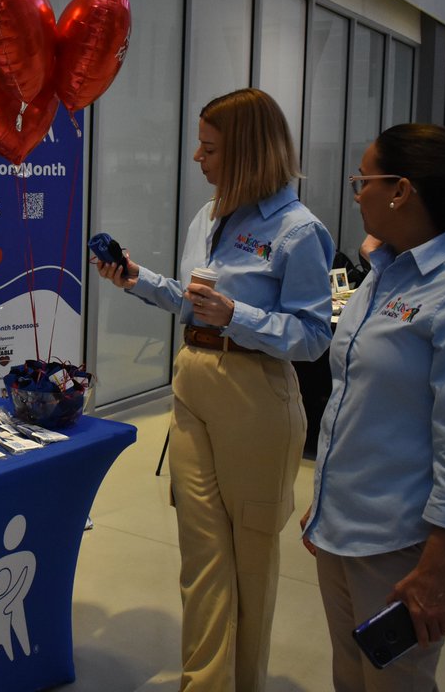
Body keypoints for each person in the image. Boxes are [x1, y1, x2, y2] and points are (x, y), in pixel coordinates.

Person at [95, 88, 334, 691]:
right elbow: (192, 300)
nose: (197, 159)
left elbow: (311, 337)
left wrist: (239, 317)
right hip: (194, 380)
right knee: (201, 556)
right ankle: (202, 683)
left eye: (210, 148)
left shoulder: (298, 231)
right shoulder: (210, 215)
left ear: (248, 152)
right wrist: (137, 279)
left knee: (251, 559)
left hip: (257, 394)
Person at [300, 124, 445, 692]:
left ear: (400, 190)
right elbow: (358, 406)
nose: (357, 195)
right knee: (351, 679)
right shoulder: (385, 274)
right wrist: (324, 502)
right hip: (341, 526)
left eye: (363, 181)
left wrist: (436, 568)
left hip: (400, 545)